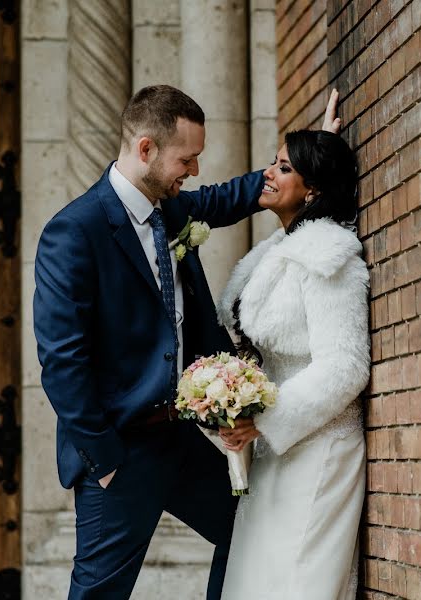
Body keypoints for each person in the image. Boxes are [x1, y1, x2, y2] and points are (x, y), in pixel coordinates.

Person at [34, 84, 344, 600]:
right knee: (98, 594)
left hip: (178, 438)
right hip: (120, 451)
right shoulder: (73, 233)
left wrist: (315, 159)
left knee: (248, 529)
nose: (194, 171)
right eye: (188, 158)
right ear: (146, 150)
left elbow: (226, 199)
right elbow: (62, 362)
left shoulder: (169, 210)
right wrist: (105, 461)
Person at [216, 128, 371, 599]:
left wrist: (264, 418)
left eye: (284, 167)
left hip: (319, 450)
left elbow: (345, 366)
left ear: (314, 189)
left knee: (299, 583)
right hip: (276, 452)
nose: (267, 173)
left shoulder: (326, 259)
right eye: (273, 161)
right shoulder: (279, 251)